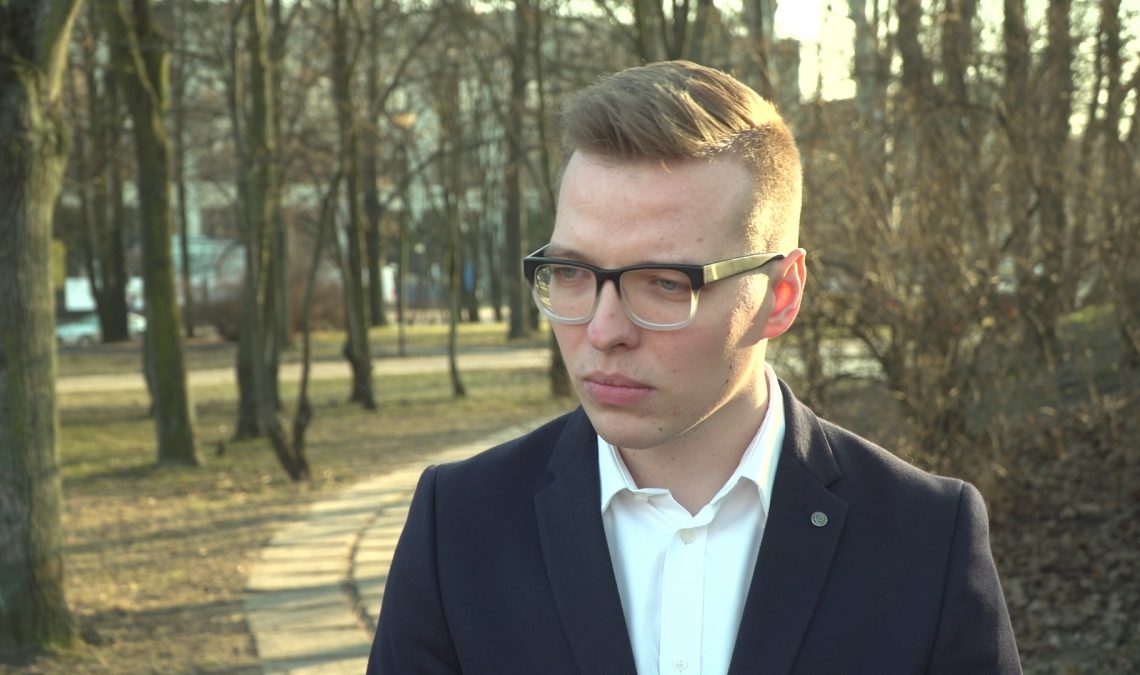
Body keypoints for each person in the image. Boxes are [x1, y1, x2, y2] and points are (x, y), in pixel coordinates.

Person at [366, 60, 1020, 675]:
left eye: (665, 283)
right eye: (571, 272)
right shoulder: (459, 526)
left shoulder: (925, 540)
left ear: (780, 295)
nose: (604, 331)